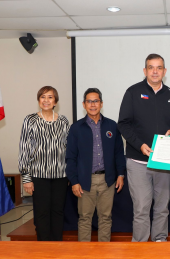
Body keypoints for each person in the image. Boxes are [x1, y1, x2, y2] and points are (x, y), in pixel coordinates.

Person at [117, 53, 170, 242]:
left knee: (162, 207)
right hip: (138, 162)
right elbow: (123, 124)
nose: (155, 71)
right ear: (145, 70)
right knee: (141, 209)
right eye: (151, 67)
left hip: (164, 161)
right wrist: (140, 145)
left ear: (164, 71)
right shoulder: (132, 92)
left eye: (159, 67)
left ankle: (160, 241)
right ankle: (140, 247)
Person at [65, 88, 126, 242]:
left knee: (106, 218)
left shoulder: (112, 126)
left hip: (108, 180)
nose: (93, 104)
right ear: (84, 104)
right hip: (85, 182)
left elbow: (119, 152)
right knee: (85, 218)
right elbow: (70, 157)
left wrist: (120, 174)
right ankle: (84, 254)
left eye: (96, 101)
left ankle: (103, 253)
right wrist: (74, 181)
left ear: (101, 103)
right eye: (89, 101)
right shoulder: (76, 128)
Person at [18, 86, 70, 241]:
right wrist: (26, 178)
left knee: (58, 212)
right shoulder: (30, 120)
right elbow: (24, 149)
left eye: (50, 97)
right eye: (43, 97)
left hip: (61, 175)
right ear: (38, 100)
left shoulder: (63, 121)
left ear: (55, 101)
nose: (46, 100)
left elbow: (68, 148)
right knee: (41, 212)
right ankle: (43, 248)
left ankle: (56, 246)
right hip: (38, 175)